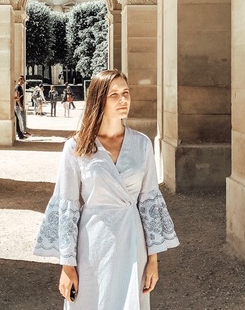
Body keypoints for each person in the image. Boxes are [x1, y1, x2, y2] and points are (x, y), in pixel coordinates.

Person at [33, 69, 179, 309]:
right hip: (92, 244)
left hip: (132, 242)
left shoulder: (142, 144)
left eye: (126, 93)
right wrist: (68, 266)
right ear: (99, 99)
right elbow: (67, 206)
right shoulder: (76, 147)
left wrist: (153, 260)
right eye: (114, 95)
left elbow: (149, 202)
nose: (123, 100)